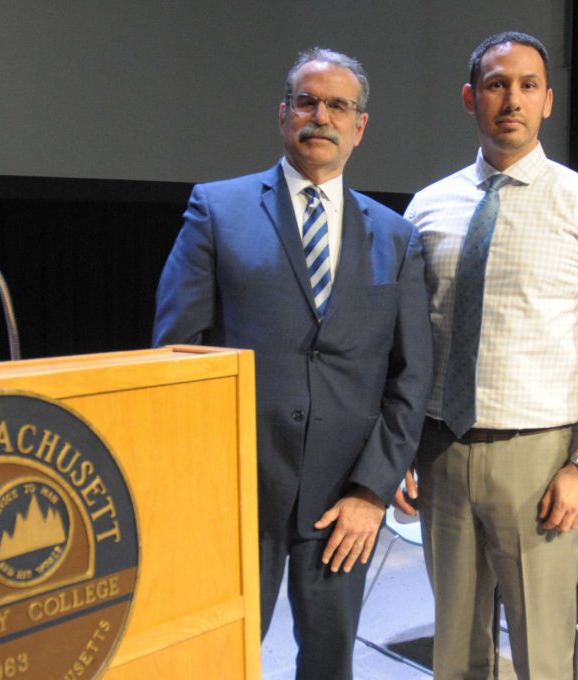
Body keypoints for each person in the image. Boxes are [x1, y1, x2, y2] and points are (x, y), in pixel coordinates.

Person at [153, 47, 432, 680]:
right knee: (219, 658)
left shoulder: (395, 235)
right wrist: (196, 482)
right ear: (283, 114)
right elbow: (173, 355)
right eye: (307, 101)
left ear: (360, 127)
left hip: (343, 501)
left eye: (338, 105)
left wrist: (372, 489)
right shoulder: (216, 210)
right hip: (239, 489)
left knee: (329, 662)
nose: (320, 115)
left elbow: (410, 375)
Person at [399, 32, 578, 679]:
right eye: (495, 84)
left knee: (542, 647)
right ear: (470, 98)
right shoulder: (429, 208)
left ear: (548, 101)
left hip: (540, 462)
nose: (511, 98)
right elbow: (410, 341)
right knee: (454, 649)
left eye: (527, 85)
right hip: (441, 451)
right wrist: (400, 450)